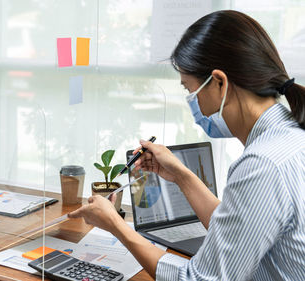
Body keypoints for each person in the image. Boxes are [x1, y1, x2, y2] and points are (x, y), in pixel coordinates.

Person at [69, 10, 305, 281]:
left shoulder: (262, 165)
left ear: (219, 82)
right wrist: (179, 174)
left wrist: (116, 226)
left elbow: (199, 279)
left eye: (189, 89)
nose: (192, 101)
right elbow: (239, 229)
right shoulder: (290, 137)